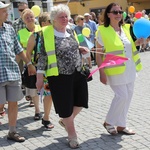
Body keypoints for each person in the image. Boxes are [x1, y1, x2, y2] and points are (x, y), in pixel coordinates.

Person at [36, 4, 89, 149]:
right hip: (59, 76)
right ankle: (72, 135)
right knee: (65, 106)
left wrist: (80, 48)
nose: (65, 19)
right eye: (62, 17)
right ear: (54, 19)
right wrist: (39, 76)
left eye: (67, 16)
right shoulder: (46, 33)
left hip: (77, 71)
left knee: (82, 100)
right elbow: (42, 56)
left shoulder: (71, 30)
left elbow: (71, 46)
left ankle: (65, 121)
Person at [96, 3, 144, 135]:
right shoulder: (102, 31)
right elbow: (98, 54)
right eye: (115, 12)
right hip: (114, 69)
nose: (118, 14)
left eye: (120, 12)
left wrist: (136, 43)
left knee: (128, 97)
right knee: (121, 96)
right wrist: (101, 72)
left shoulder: (126, 28)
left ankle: (121, 125)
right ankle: (109, 122)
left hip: (130, 68)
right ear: (108, 14)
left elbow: (126, 48)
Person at [0, 2, 36, 142]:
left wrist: (28, 63)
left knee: (13, 102)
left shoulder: (9, 29)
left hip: (12, 72)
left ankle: (12, 131)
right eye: (4, 11)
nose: (7, 13)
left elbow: (18, 49)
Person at [27, 12, 54, 129]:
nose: (53, 23)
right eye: (50, 21)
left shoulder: (55, 34)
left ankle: (46, 117)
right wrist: (30, 65)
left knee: (50, 95)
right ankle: (43, 116)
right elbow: (27, 53)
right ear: (43, 23)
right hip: (41, 70)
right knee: (46, 94)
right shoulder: (35, 36)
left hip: (54, 69)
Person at [18, 8, 41, 119]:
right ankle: (37, 110)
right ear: (23, 20)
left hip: (43, 62)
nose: (30, 19)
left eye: (31, 16)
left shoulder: (41, 29)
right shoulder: (20, 33)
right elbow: (18, 49)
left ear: (35, 17)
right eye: (27, 18)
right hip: (29, 62)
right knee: (33, 87)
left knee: (46, 88)